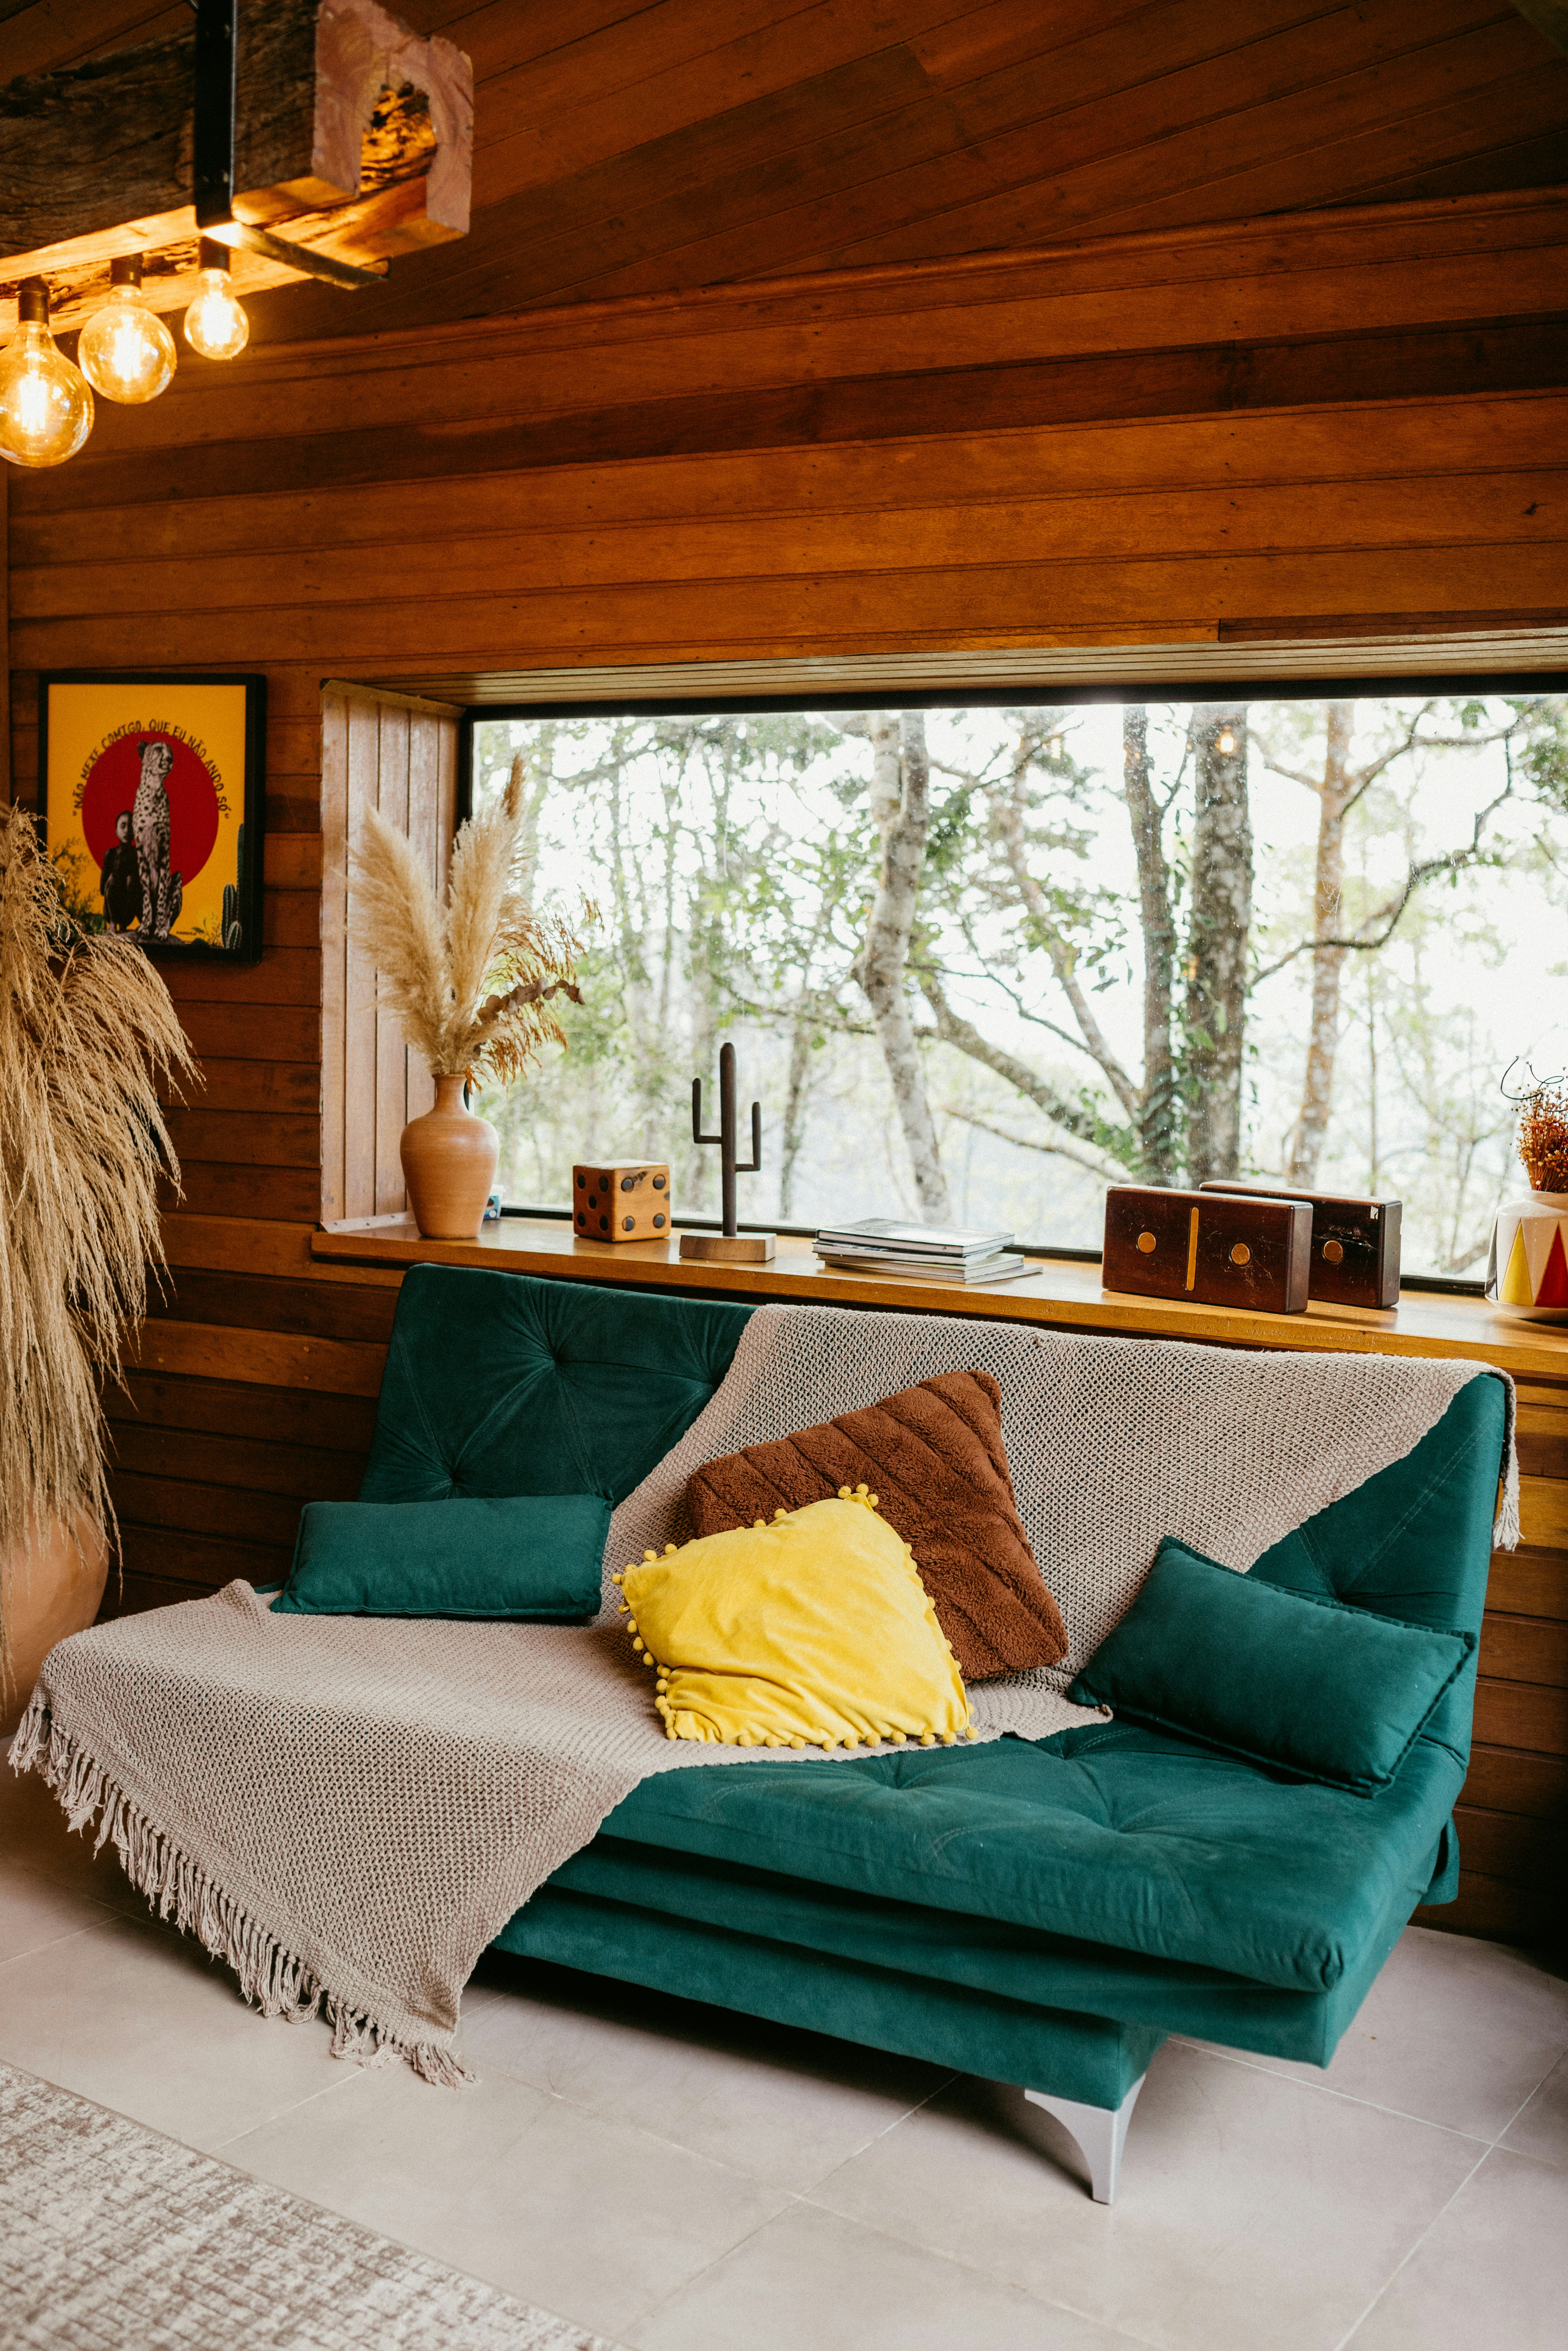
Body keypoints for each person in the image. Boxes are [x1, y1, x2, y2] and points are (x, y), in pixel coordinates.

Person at [99, 809, 144, 932]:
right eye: (123, 826)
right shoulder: (111, 854)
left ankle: (125, 925)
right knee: (114, 879)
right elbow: (103, 889)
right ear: (116, 831)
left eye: (131, 826)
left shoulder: (138, 854)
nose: (127, 830)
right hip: (111, 909)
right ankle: (113, 924)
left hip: (129, 910)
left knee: (133, 880)